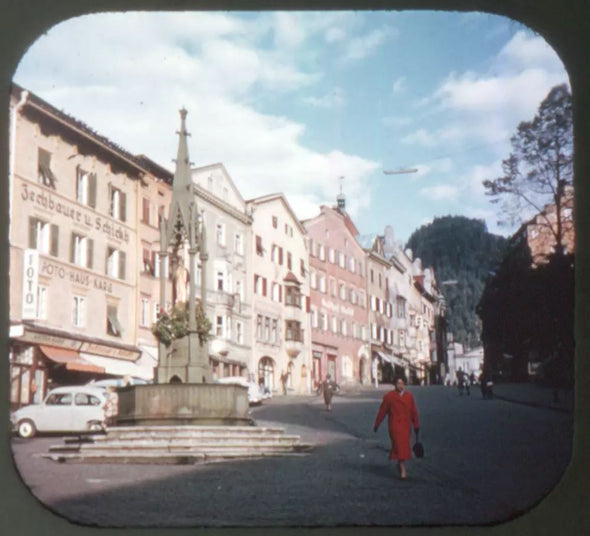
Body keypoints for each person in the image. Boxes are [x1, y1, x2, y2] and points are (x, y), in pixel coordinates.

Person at [373, 376, 420, 480]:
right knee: (398, 445)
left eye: (402, 383)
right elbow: (382, 411)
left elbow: (414, 412)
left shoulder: (409, 397)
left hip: (406, 426)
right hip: (394, 426)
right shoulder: (389, 396)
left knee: (403, 446)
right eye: (398, 383)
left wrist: (416, 425)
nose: (400, 386)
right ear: (395, 384)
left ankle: (400, 463)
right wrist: (377, 424)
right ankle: (403, 469)